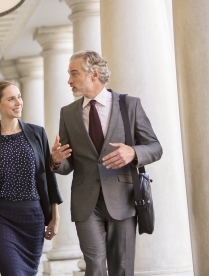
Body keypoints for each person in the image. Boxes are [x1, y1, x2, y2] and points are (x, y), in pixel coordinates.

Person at [51, 51, 162, 275]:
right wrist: (55, 161)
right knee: (94, 266)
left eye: (74, 74)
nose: (69, 81)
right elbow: (67, 164)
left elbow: (155, 147)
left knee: (122, 267)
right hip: (86, 203)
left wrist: (133, 152)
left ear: (94, 74)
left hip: (123, 198)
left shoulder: (129, 105)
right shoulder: (68, 113)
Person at [0, 80, 63, 276]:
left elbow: (48, 176)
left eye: (19, 97)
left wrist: (55, 216)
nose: (18, 102)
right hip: (0, 218)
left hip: (33, 218)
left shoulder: (37, 133)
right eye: (11, 99)